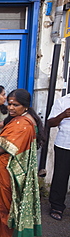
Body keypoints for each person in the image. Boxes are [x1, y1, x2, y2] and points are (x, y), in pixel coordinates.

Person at [0, 89, 45, 237]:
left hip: (9, 170)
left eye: (16, 105)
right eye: (9, 104)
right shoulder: (24, 119)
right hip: (14, 169)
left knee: (5, 206)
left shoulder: (22, 123)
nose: (11, 107)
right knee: (5, 203)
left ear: (26, 106)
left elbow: (2, 147)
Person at [48, 92, 70, 221]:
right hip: (64, 144)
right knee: (60, 177)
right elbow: (50, 122)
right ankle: (57, 206)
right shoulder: (62, 101)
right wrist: (63, 115)